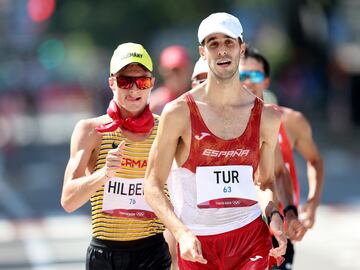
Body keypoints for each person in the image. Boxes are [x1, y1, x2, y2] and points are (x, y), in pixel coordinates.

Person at [144, 12, 287, 270]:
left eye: (229, 43)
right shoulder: (178, 113)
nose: (222, 51)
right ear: (202, 52)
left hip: (250, 237)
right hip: (198, 242)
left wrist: (273, 214)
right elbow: (152, 184)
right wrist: (181, 233)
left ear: (241, 48)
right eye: (213, 44)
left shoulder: (266, 116)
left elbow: (264, 182)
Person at [60, 42, 171, 270]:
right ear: (112, 83)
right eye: (124, 81)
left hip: (152, 250)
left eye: (142, 81)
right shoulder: (91, 130)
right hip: (106, 253)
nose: (134, 90)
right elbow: (68, 200)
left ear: (152, 84)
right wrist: (103, 175)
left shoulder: (167, 130)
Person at [239, 46, 324, 270]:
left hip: (280, 226)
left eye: (254, 75)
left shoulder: (290, 120)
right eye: (242, 76)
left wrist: (312, 204)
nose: (248, 82)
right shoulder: (225, 123)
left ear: (266, 80)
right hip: (240, 228)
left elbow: (314, 160)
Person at [150, 45, 192, 114]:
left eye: (179, 70)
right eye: (170, 71)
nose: (175, 76)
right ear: (162, 71)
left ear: (189, 69)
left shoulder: (199, 100)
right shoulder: (155, 105)